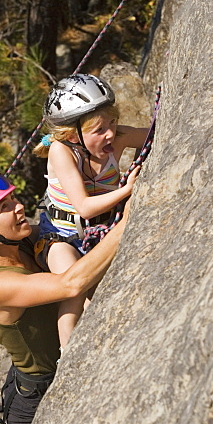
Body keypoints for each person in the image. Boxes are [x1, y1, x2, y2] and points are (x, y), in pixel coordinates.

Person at [0, 167, 131, 424]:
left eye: (14, 198)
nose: (19, 207)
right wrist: (128, 221)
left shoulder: (21, 242)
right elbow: (71, 284)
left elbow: (64, 227)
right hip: (36, 401)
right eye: (5, 207)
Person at [33, 73, 150, 347]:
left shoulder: (118, 138)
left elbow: (159, 134)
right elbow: (84, 207)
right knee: (74, 287)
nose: (109, 133)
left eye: (112, 122)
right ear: (73, 134)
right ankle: (68, 356)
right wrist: (127, 189)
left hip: (101, 230)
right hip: (61, 237)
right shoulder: (62, 151)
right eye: (99, 130)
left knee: (100, 295)